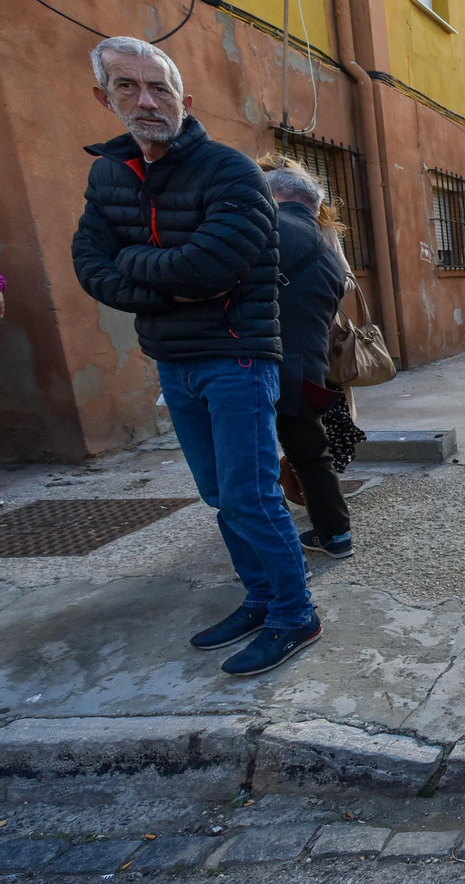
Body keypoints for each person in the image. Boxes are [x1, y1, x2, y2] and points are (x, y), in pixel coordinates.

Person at [72, 37, 319, 675]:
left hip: (237, 357)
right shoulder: (109, 174)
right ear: (104, 97)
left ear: (185, 98)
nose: (146, 100)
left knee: (251, 495)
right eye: (127, 86)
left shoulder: (230, 171)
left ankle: (296, 614)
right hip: (173, 360)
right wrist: (163, 280)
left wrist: (132, 261)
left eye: (159, 87)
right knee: (218, 494)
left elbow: (210, 269)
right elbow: (90, 265)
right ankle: (260, 598)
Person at [255, 157, 358, 560]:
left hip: (256, 366)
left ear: (274, 194)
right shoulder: (328, 251)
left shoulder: (263, 230)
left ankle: (271, 550)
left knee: (251, 462)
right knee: (313, 455)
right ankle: (335, 535)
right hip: (309, 369)